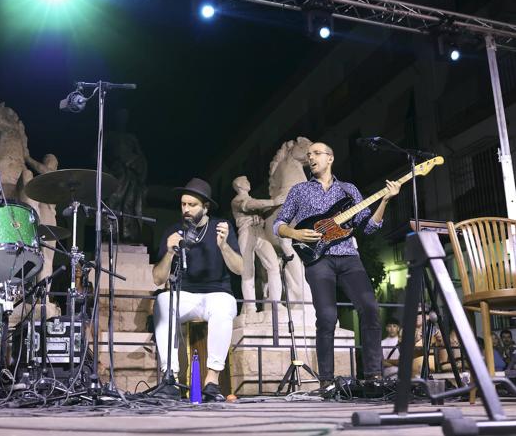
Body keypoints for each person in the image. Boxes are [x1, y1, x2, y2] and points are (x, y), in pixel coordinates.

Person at [273, 141, 401, 391]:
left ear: (330, 158)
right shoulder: (299, 191)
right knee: (327, 317)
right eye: (309, 155)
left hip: (348, 256)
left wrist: (385, 201)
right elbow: (279, 223)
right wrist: (295, 235)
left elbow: (368, 226)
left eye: (317, 154)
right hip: (317, 259)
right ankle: (327, 381)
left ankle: (374, 375)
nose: (311, 158)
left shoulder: (348, 190)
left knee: (370, 309)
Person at [152, 178, 242, 401]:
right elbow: (157, 279)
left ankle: (212, 381)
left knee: (223, 306)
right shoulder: (173, 231)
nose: (186, 209)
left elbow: (240, 269)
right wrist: (170, 252)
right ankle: (170, 377)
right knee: (163, 302)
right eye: (183, 204)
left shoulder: (221, 227)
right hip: (186, 295)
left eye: (192, 205)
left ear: (205, 207)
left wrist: (224, 246)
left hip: (217, 293)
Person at [230, 175, 285, 315]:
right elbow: (250, 204)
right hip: (246, 233)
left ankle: (276, 303)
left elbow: (256, 207)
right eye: (245, 181)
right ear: (239, 185)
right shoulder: (237, 200)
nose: (248, 182)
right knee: (247, 272)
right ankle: (250, 307)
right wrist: (274, 202)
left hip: (259, 233)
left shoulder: (252, 199)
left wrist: (260, 219)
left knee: (273, 265)